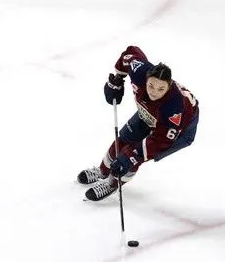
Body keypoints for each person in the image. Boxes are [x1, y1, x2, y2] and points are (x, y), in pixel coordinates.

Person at [77, 45, 199, 201]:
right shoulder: (139, 70)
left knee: (132, 153)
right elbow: (130, 53)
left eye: (161, 89)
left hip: (181, 128)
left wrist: (132, 157)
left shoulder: (174, 107)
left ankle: (113, 182)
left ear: (168, 87)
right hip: (149, 112)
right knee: (123, 140)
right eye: (151, 85)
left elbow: (160, 141)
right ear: (146, 78)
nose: (154, 92)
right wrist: (117, 80)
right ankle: (103, 170)